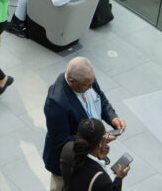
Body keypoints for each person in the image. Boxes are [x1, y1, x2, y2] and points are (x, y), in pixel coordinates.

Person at [42, 57, 127, 186]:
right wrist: (97, 139)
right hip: (69, 165)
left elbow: (101, 99)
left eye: (92, 83)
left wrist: (112, 117)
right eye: (87, 85)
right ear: (72, 80)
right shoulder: (56, 103)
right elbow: (63, 143)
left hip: (92, 153)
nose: (91, 87)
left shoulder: (87, 79)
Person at [62, 119, 129, 190]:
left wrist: (98, 157)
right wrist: (119, 177)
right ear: (100, 142)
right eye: (105, 135)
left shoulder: (68, 150)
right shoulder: (102, 179)